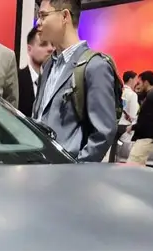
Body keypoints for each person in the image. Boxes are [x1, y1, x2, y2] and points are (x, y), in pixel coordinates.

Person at [30, 0, 119, 162]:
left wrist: (78, 167)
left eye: (43, 15)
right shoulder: (49, 64)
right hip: (40, 165)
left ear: (65, 16)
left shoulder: (95, 66)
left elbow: (103, 132)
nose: (38, 23)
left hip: (68, 169)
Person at [17, 26, 53, 117]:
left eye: (52, 44)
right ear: (29, 49)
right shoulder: (17, 79)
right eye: (43, 44)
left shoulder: (57, 81)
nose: (50, 49)